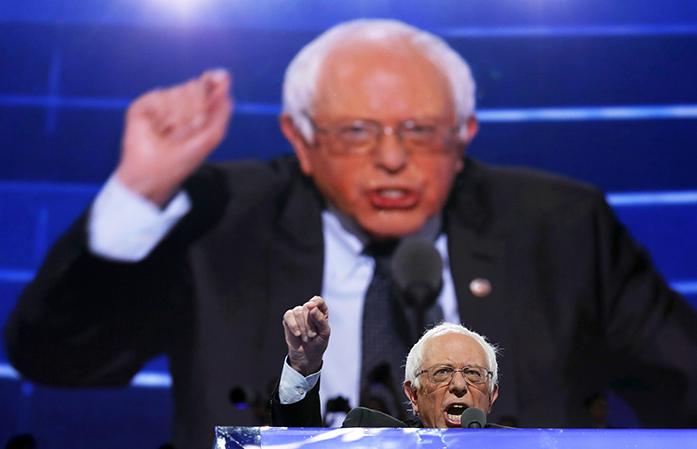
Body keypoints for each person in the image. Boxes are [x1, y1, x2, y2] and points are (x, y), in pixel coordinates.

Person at [4, 18, 697, 449]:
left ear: (463, 137)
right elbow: (56, 358)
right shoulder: (223, 220)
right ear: (300, 141)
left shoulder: (558, 227)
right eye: (356, 132)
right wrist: (140, 192)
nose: (391, 157)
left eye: (420, 131)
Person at [271, 296, 499, 428]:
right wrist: (303, 365)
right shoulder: (369, 437)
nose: (459, 385)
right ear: (413, 395)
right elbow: (299, 445)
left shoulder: (525, 445)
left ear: (491, 395)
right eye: (442, 372)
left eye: (473, 374)